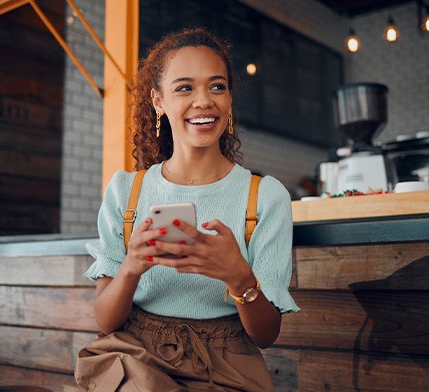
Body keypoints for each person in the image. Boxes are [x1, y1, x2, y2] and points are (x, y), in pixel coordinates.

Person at [75, 27, 300, 391]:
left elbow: (265, 336)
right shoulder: (125, 192)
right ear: (158, 101)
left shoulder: (265, 197)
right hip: (136, 360)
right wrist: (131, 266)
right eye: (184, 88)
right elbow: (105, 320)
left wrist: (240, 279)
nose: (204, 101)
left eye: (217, 86)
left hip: (228, 369)